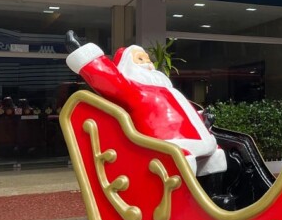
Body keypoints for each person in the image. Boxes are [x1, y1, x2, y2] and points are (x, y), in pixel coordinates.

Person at [65, 32, 226, 176]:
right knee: (180, 161)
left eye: (148, 59)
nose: (148, 64)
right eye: (140, 59)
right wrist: (83, 54)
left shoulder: (166, 89)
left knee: (217, 157)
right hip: (169, 144)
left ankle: (216, 195)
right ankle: (187, 201)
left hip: (201, 141)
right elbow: (108, 79)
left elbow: (183, 114)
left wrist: (202, 118)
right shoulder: (134, 90)